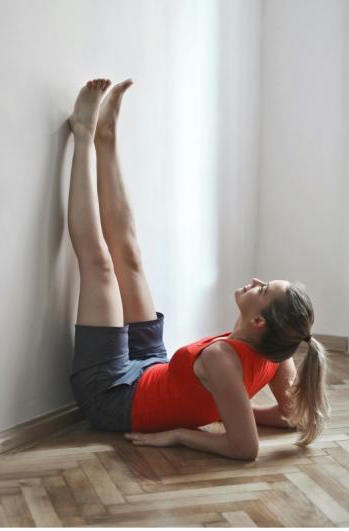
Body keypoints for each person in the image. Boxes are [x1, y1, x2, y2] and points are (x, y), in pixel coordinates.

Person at [66, 78, 331, 461]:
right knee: (131, 256)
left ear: (259, 321)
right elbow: (292, 416)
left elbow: (245, 449)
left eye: (263, 289)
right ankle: (106, 139)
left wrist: (180, 434)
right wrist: (237, 409)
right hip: (151, 370)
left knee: (100, 265)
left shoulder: (226, 359)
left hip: (111, 395)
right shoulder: (277, 348)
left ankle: (83, 136)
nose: (255, 281)